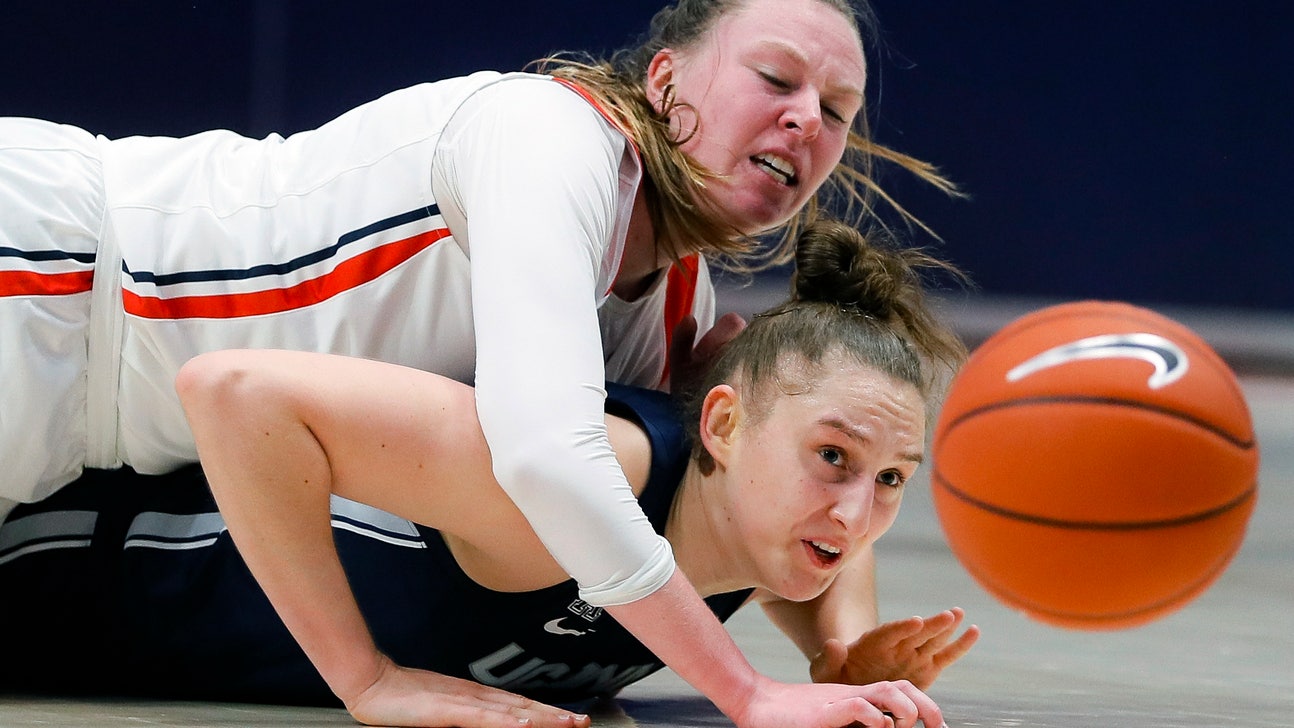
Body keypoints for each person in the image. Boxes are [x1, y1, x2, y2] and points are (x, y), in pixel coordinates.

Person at [0, 0, 957, 725]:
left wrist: (837, 652)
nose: (807, 121)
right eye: (777, 80)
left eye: (837, 108)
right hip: (43, 276)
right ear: (665, 83)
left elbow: (767, 473)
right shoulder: (551, 137)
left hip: (88, 424)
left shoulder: (668, 301)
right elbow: (548, 457)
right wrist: (746, 694)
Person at [0, 220, 976, 726]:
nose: (854, 511)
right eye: (833, 457)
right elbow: (235, 390)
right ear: (720, 423)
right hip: (39, 571)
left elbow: (824, 536)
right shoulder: (596, 472)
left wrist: (838, 649)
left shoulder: (773, 525)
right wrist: (368, 678)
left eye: (895, 478)